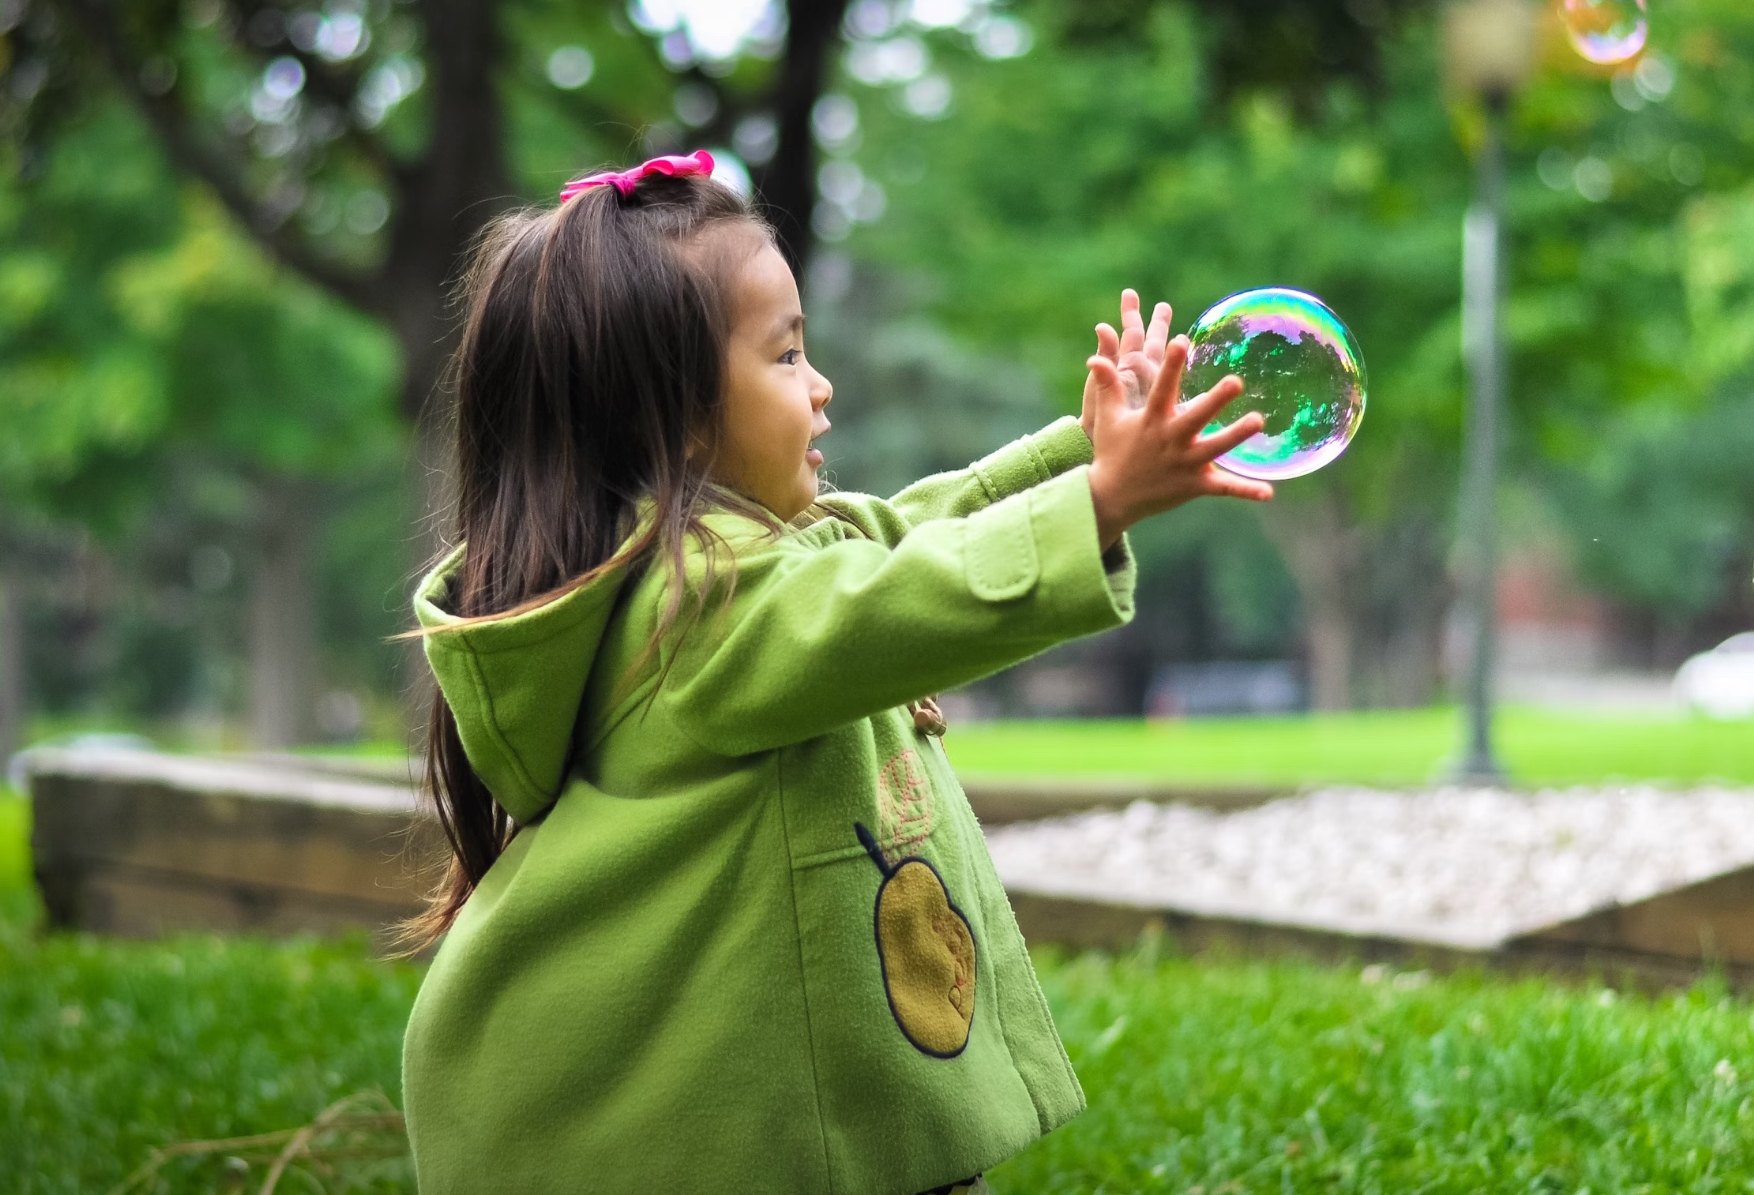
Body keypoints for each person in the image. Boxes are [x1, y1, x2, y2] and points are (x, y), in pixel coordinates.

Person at [399, 150, 1271, 1195]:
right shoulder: (698, 610)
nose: (820, 387)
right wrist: (1098, 506)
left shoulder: (742, 560)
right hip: (730, 1148)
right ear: (673, 417)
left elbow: (903, 531)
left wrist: (1082, 457)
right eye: (782, 355)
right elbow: (896, 600)